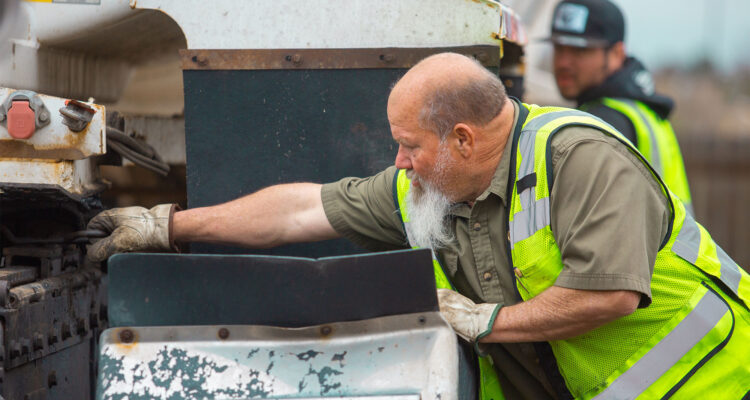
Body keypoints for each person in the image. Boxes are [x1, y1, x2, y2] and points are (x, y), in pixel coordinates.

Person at [87, 53, 750, 399]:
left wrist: (486, 323)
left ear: (463, 139)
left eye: (408, 145)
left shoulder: (578, 158)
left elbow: (609, 294)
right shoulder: (425, 187)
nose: (397, 161)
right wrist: (167, 225)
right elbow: (301, 208)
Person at [548, 0, 693, 213]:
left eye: (579, 50)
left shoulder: (603, 122)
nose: (563, 62)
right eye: (559, 48)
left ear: (616, 54)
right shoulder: (642, 109)